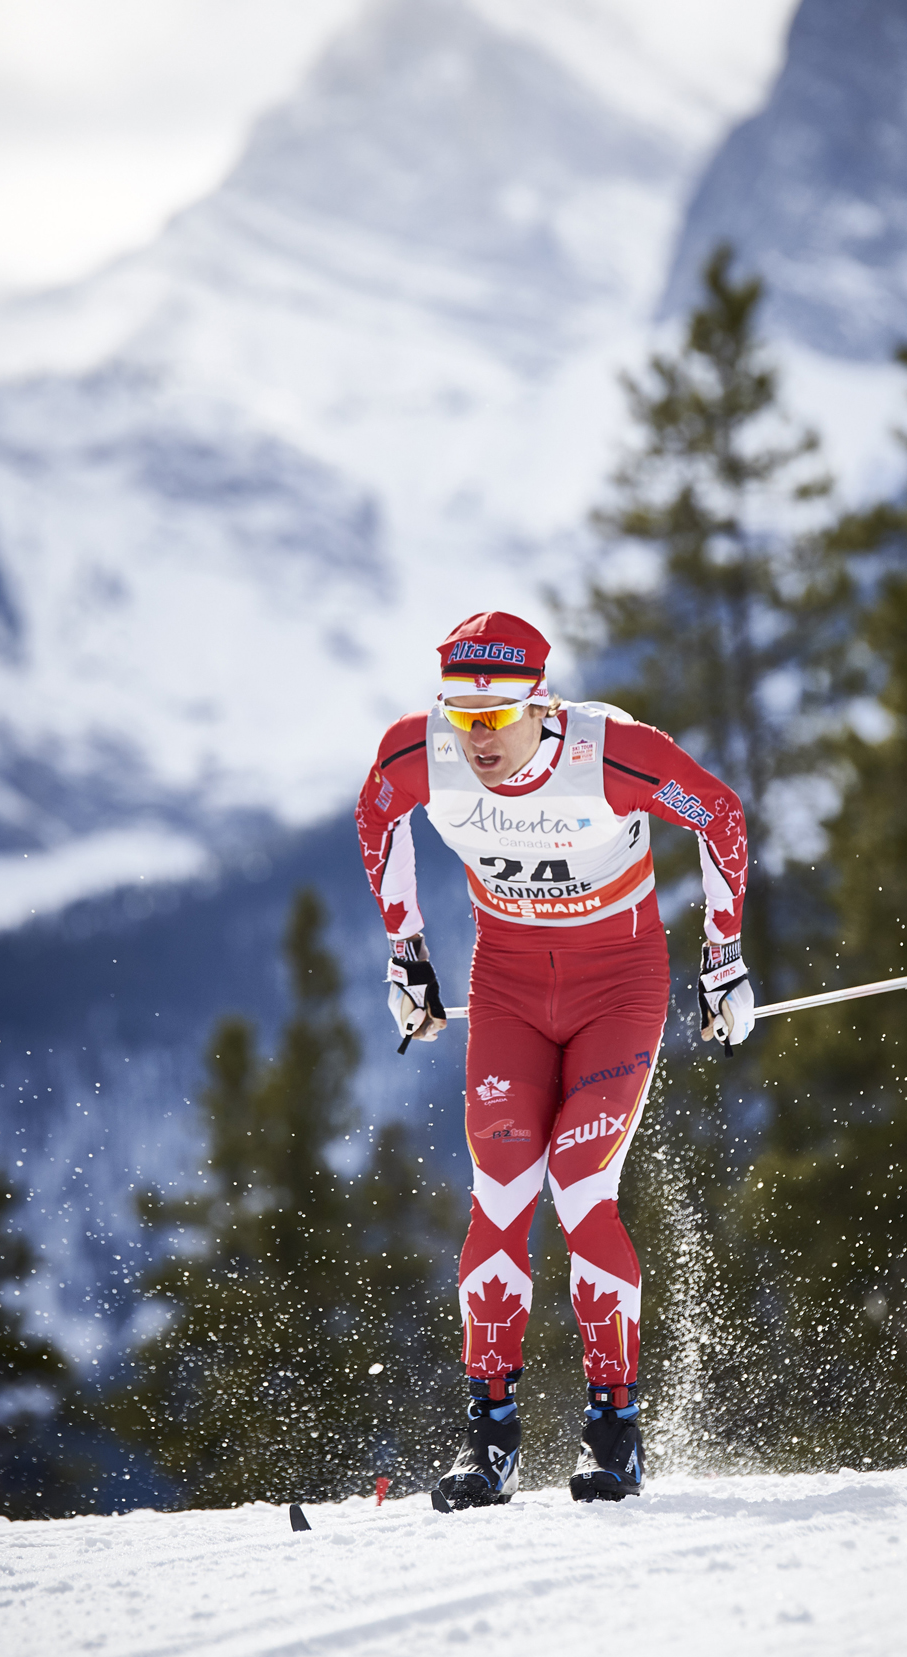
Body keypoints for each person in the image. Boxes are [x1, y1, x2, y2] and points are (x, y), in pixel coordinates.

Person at [355, 611, 752, 1507]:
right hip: (507, 988)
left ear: (540, 703)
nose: (476, 738)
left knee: (578, 1183)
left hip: (620, 987)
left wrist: (722, 955)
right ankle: (487, 1438)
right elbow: (377, 812)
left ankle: (614, 1431)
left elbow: (720, 816)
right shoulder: (428, 750)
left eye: (494, 718)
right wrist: (406, 949)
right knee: (500, 1186)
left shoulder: (611, 753)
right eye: (461, 716)